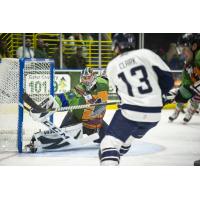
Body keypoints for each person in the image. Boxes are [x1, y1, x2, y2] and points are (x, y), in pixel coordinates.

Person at [99, 33, 173, 166]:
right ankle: (126, 143)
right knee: (128, 138)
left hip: (131, 112)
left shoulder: (112, 65)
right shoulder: (145, 53)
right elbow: (168, 80)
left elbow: (120, 92)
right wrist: (158, 96)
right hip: (154, 115)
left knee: (108, 144)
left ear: (116, 46)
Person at [26, 67, 109, 152]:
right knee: (61, 138)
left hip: (97, 124)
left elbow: (111, 78)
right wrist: (42, 108)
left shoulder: (103, 84)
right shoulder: (79, 90)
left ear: (94, 76)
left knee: (113, 140)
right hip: (77, 120)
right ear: (81, 78)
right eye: (84, 78)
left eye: (89, 77)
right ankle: (37, 141)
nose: (87, 80)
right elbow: (63, 98)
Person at [168, 33, 200, 123]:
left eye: (183, 49)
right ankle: (181, 109)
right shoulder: (190, 63)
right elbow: (187, 83)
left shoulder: (198, 56)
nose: (181, 53)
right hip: (192, 87)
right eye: (179, 50)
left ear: (194, 46)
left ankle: (189, 109)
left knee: (194, 97)